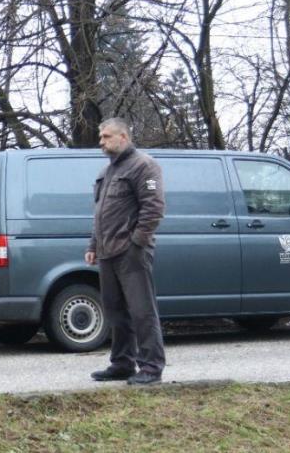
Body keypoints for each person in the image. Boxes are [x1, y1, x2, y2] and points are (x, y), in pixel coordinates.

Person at [85, 118, 166, 386]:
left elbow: (153, 208)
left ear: (123, 137)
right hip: (107, 253)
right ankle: (122, 363)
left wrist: (137, 243)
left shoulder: (144, 166)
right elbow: (100, 215)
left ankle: (151, 367)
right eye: (101, 137)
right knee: (115, 312)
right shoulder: (107, 171)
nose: (101, 142)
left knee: (142, 311)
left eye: (107, 137)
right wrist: (93, 245)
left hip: (131, 252)